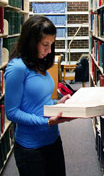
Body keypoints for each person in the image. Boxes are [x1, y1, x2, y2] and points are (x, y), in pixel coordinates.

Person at [4, 15, 73, 176]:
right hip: (31, 149)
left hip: (53, 140)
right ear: (31, 42)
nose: (49, 50)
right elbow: (12, 112)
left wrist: (57, 103)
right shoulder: (17, 68)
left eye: (51, 44)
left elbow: (39, 102)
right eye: (45, 45)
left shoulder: (39, 63)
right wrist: (46, 122)